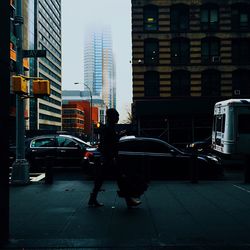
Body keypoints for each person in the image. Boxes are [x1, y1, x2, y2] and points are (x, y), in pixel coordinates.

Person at [88, 108, 141, 207]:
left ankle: (93, 198)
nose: (118, 118)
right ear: (112, 117)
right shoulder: (108, 128)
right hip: (110, 158)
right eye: (117, 116)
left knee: (103, 179)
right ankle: (128, 200)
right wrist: (112, 157)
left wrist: (119, 135)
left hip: (108, 158)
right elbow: (107, 144)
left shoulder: (108, 128)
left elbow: (108, 142)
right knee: (119, 179)